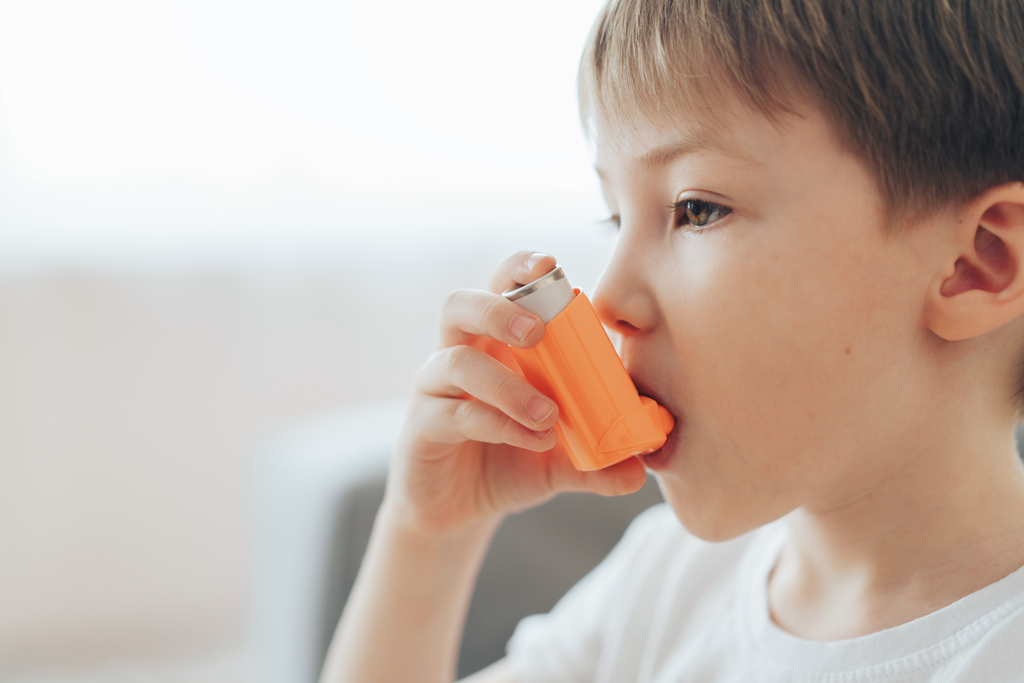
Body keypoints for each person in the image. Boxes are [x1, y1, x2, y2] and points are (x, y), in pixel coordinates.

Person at [319, 0, 1024, 680]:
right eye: (613, 217)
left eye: (696, 209)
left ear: (978, 264)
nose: (610, 299)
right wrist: (429, 536)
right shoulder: (662, 587)